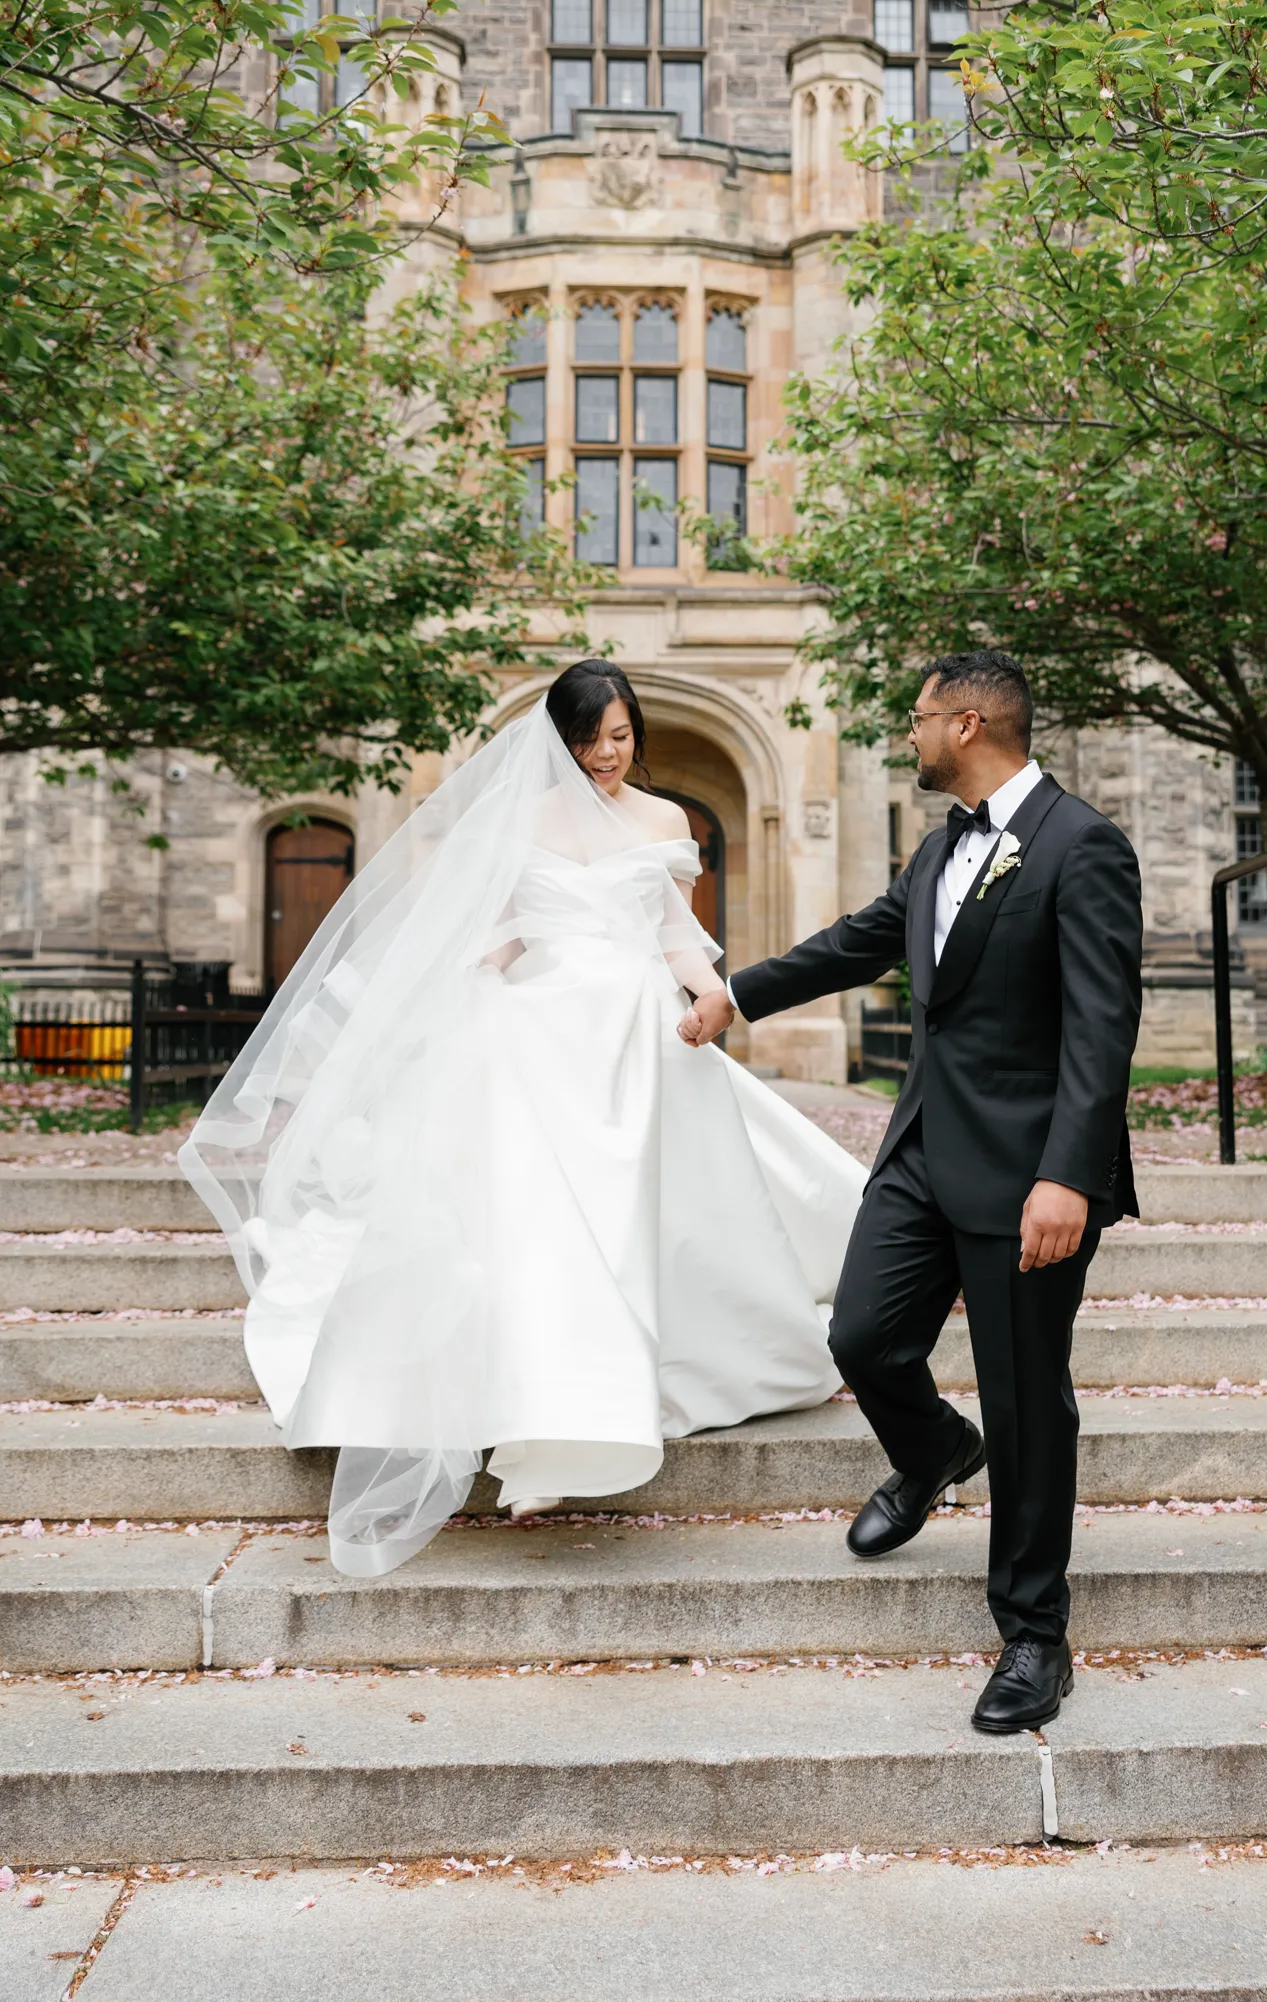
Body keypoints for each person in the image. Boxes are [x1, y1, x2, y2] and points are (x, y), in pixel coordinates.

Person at [182, 659, 863, 1576]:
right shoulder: (518, 822)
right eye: (589, 740)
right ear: (559, 739)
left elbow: (674, 936)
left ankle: (643, 1372)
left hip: (638, 1035)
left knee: (647, 1207)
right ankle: (548, 1406)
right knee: (544, 1218)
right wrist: (450, 993)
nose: (606, 755)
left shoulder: (665, 821)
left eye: (620, 736)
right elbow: (501, 938)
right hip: (537, 1035)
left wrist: (713, 1000)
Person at [681, 651, 1142, 1732]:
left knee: (1025, 1404)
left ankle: (1035, 1634)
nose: (911, 734)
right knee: (861, 1338)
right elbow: (861, 942)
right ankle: (935, 1449)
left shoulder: (1082, 846)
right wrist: (734, 994)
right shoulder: (939, 849)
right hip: (923, 1152)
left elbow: (1102, 1025)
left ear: (968, 724)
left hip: (1028, 1174)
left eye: (921, 718)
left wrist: (1067, 1175)